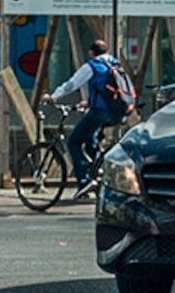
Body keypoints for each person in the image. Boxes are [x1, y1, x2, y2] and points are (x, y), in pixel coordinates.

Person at [49, 36, 136, 183]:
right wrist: (90, 102)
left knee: (73, 142)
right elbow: (109, 91)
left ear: (91, 53)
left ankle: (84, 180)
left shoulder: (92, 65)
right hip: (120, 112)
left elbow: (71, 85)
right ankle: (96, 171)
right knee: (91, 138)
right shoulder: (115, 64)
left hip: (101, 113)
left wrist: (53, 96)